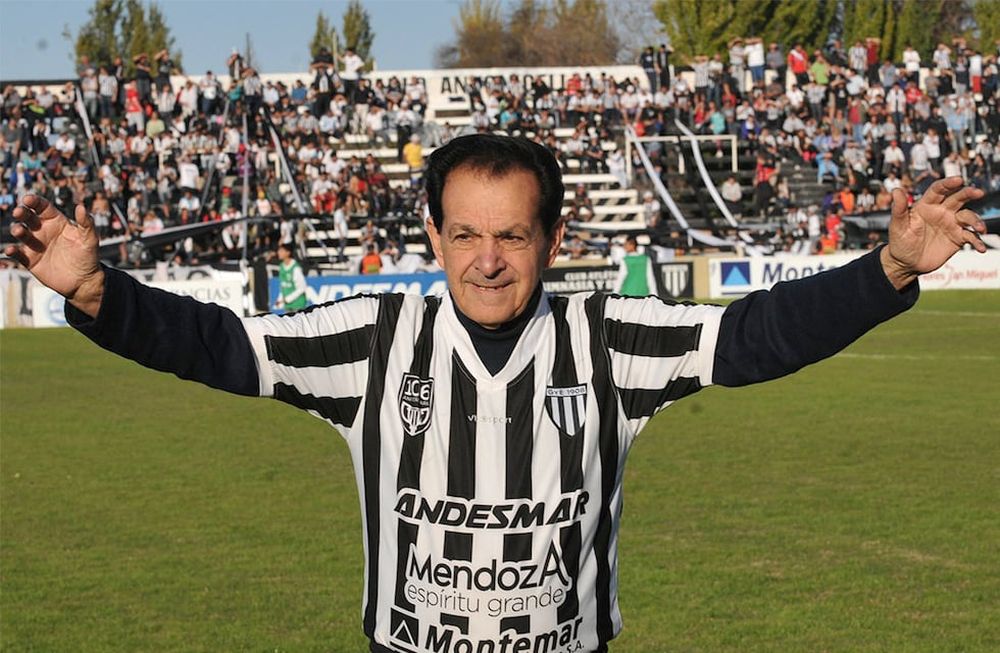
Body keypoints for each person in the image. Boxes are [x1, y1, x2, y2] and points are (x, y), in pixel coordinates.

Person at [5, 134, 988, 653]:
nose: (486, 260)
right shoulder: (372, 335)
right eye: (465, 234)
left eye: (512, 234)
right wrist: (97, 289)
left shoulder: (607, 337)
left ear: (551, 242)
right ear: (431, 239)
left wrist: (887, 270)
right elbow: (213, 342)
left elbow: (758, 335)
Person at [274, 243, 309, 312]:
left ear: (288, 253)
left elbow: (302, 287)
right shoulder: (281, 266)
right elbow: (283, 286)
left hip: (298, 306)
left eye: (281, 251)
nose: (278, 252)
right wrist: (279, 300)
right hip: (287, 306)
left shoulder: (295, 268)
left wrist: (288, 299)